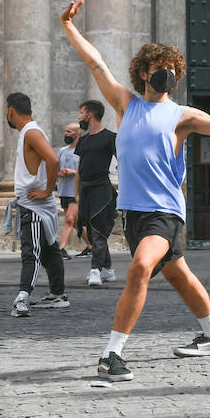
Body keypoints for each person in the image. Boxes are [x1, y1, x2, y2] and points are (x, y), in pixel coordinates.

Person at [61, 0, 210, 380]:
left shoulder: (181, 115)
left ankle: (111, 354)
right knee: (178, 273)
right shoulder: (126, 104)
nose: (166, 72)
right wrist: (68, 24)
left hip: (165, 212)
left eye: (172, 67)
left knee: (139, 267)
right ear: (143, 72)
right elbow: (95, 62)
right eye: (159, 66)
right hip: (134, 213)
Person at [4, 92, 69, 316]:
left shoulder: (31, 131)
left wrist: (47, 191)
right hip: (34, 203)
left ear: (10, 111)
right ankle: (58, 295)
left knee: (31, 251)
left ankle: (22, 298)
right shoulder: (29, 132)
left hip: (34, 205)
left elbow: (53, 159)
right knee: (50, 250)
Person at [75, 98, 118, 287]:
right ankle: (108, 269)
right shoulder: (83, 140)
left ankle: (95, 270)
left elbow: (122, 162)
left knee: (99, 230)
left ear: (90, 114)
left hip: (102, 188)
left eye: (81, 112)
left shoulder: (110, 137)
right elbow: (79, 168)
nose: (79, 116)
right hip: (86, 189)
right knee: (91, 232)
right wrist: (77, 194)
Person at [56, 121, 82, 253]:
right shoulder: (62, 151)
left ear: (77, 134)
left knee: (69, 219)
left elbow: (87, 171)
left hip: (76, 191)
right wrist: (60, 173)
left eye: (68, 132)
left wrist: (73, 172)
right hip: (64, 190)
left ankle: (61, 248)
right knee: (75, 222)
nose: (65, 134)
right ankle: (91, 247)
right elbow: (55, 171)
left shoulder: (82, 151)